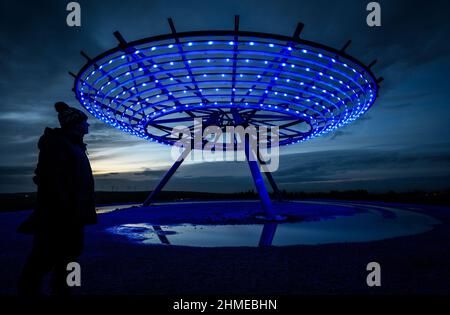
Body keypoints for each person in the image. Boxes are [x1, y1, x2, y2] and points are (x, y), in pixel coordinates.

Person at [18, 101, 97, 296]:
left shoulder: (74, 146)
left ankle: (64, 290)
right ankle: (29, 291)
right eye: (84, 122)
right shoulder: (58, 145)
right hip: (59, 215)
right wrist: (64, 208)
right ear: (75, 124)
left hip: (73, 213)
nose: (88, 125)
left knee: (70, 255)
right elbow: (49, 179)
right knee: (45, 256)